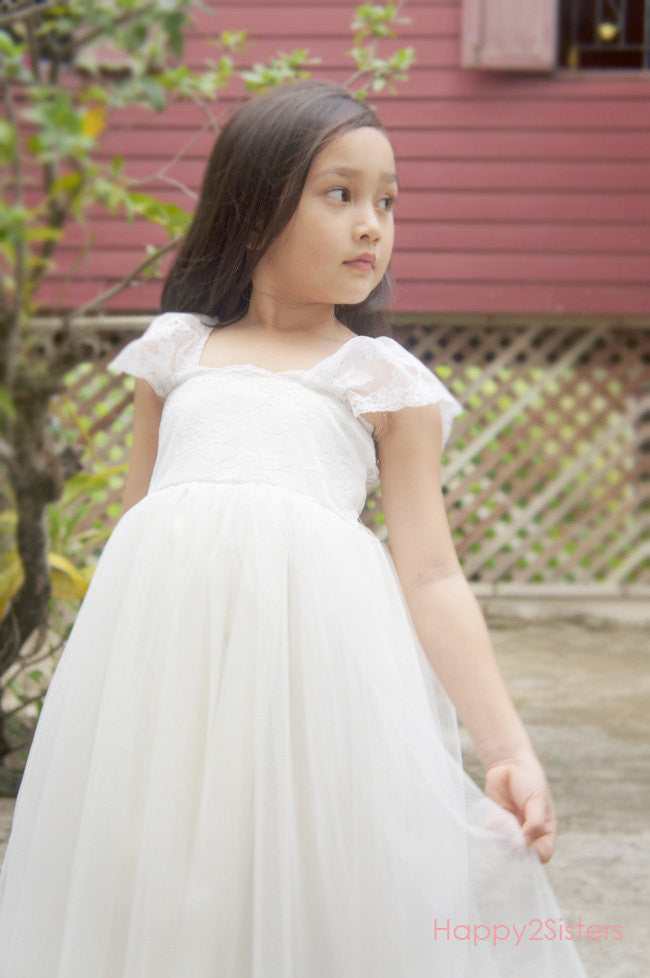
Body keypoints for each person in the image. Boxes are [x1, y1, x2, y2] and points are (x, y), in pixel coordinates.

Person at [0, 80, 586, 977]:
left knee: (310, 881)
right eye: (340, 194)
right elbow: (138, 522)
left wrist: (506, 748)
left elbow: (430, 573)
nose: (372, 225)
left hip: (316, 682)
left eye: (388, 201)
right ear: (250, 211)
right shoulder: (175, 353)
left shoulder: (383, 379)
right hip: (171, 682)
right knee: (164, 878)